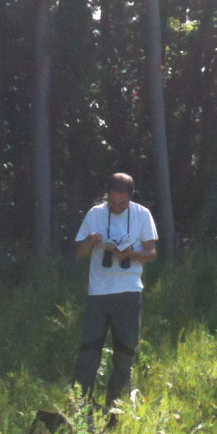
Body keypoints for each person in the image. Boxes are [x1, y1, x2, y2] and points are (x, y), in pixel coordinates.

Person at [72, 172, 158, 414]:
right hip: (98, 292)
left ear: (130, 197)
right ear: (107, 194)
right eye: (114, 200)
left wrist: (131, 254)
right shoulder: (95, 214)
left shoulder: (142, 214)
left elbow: (152, 253)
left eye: (123, 201)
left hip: (129, 292)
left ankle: (115, 409)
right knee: (89, 351)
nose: (118, 205)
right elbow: (80, 252)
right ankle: (80, 407)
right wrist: (91, 240)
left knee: (124, 353)